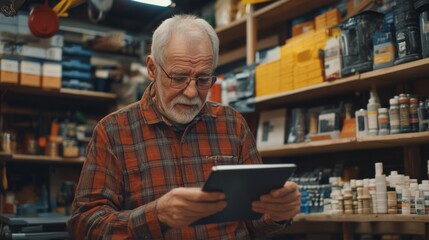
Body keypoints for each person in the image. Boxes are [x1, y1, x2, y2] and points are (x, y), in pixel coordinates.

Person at [68, 14, 301, 239]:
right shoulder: (113, 132)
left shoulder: (232, 124)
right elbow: (84, 225)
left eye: (203, 79)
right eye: (178, 78)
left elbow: (255, 222)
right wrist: (156, 215)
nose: (191, 93)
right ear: (152, 69)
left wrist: (276, 213)